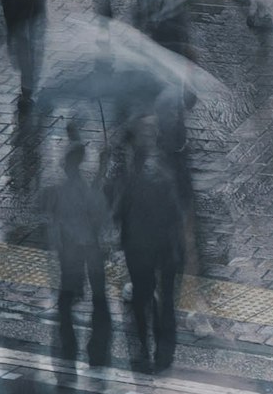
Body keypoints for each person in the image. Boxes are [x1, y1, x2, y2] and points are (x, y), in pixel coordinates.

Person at [113, 129, 186, 375]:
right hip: (162, 248)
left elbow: (117, 216)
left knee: (141, 299)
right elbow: (176, 217)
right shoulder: (163, 181)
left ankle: (144, 345)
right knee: (164, 300)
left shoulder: (130, 184)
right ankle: (163, 349)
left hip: (138, 250)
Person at [44, 129, 115, 380]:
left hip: (70, 250)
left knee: (66, 300)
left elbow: (52, 220)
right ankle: (97, 348)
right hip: (90, 248)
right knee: (98, 297)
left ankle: (68, 348)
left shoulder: (60, 192)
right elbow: (100, 216)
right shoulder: (89, 192)